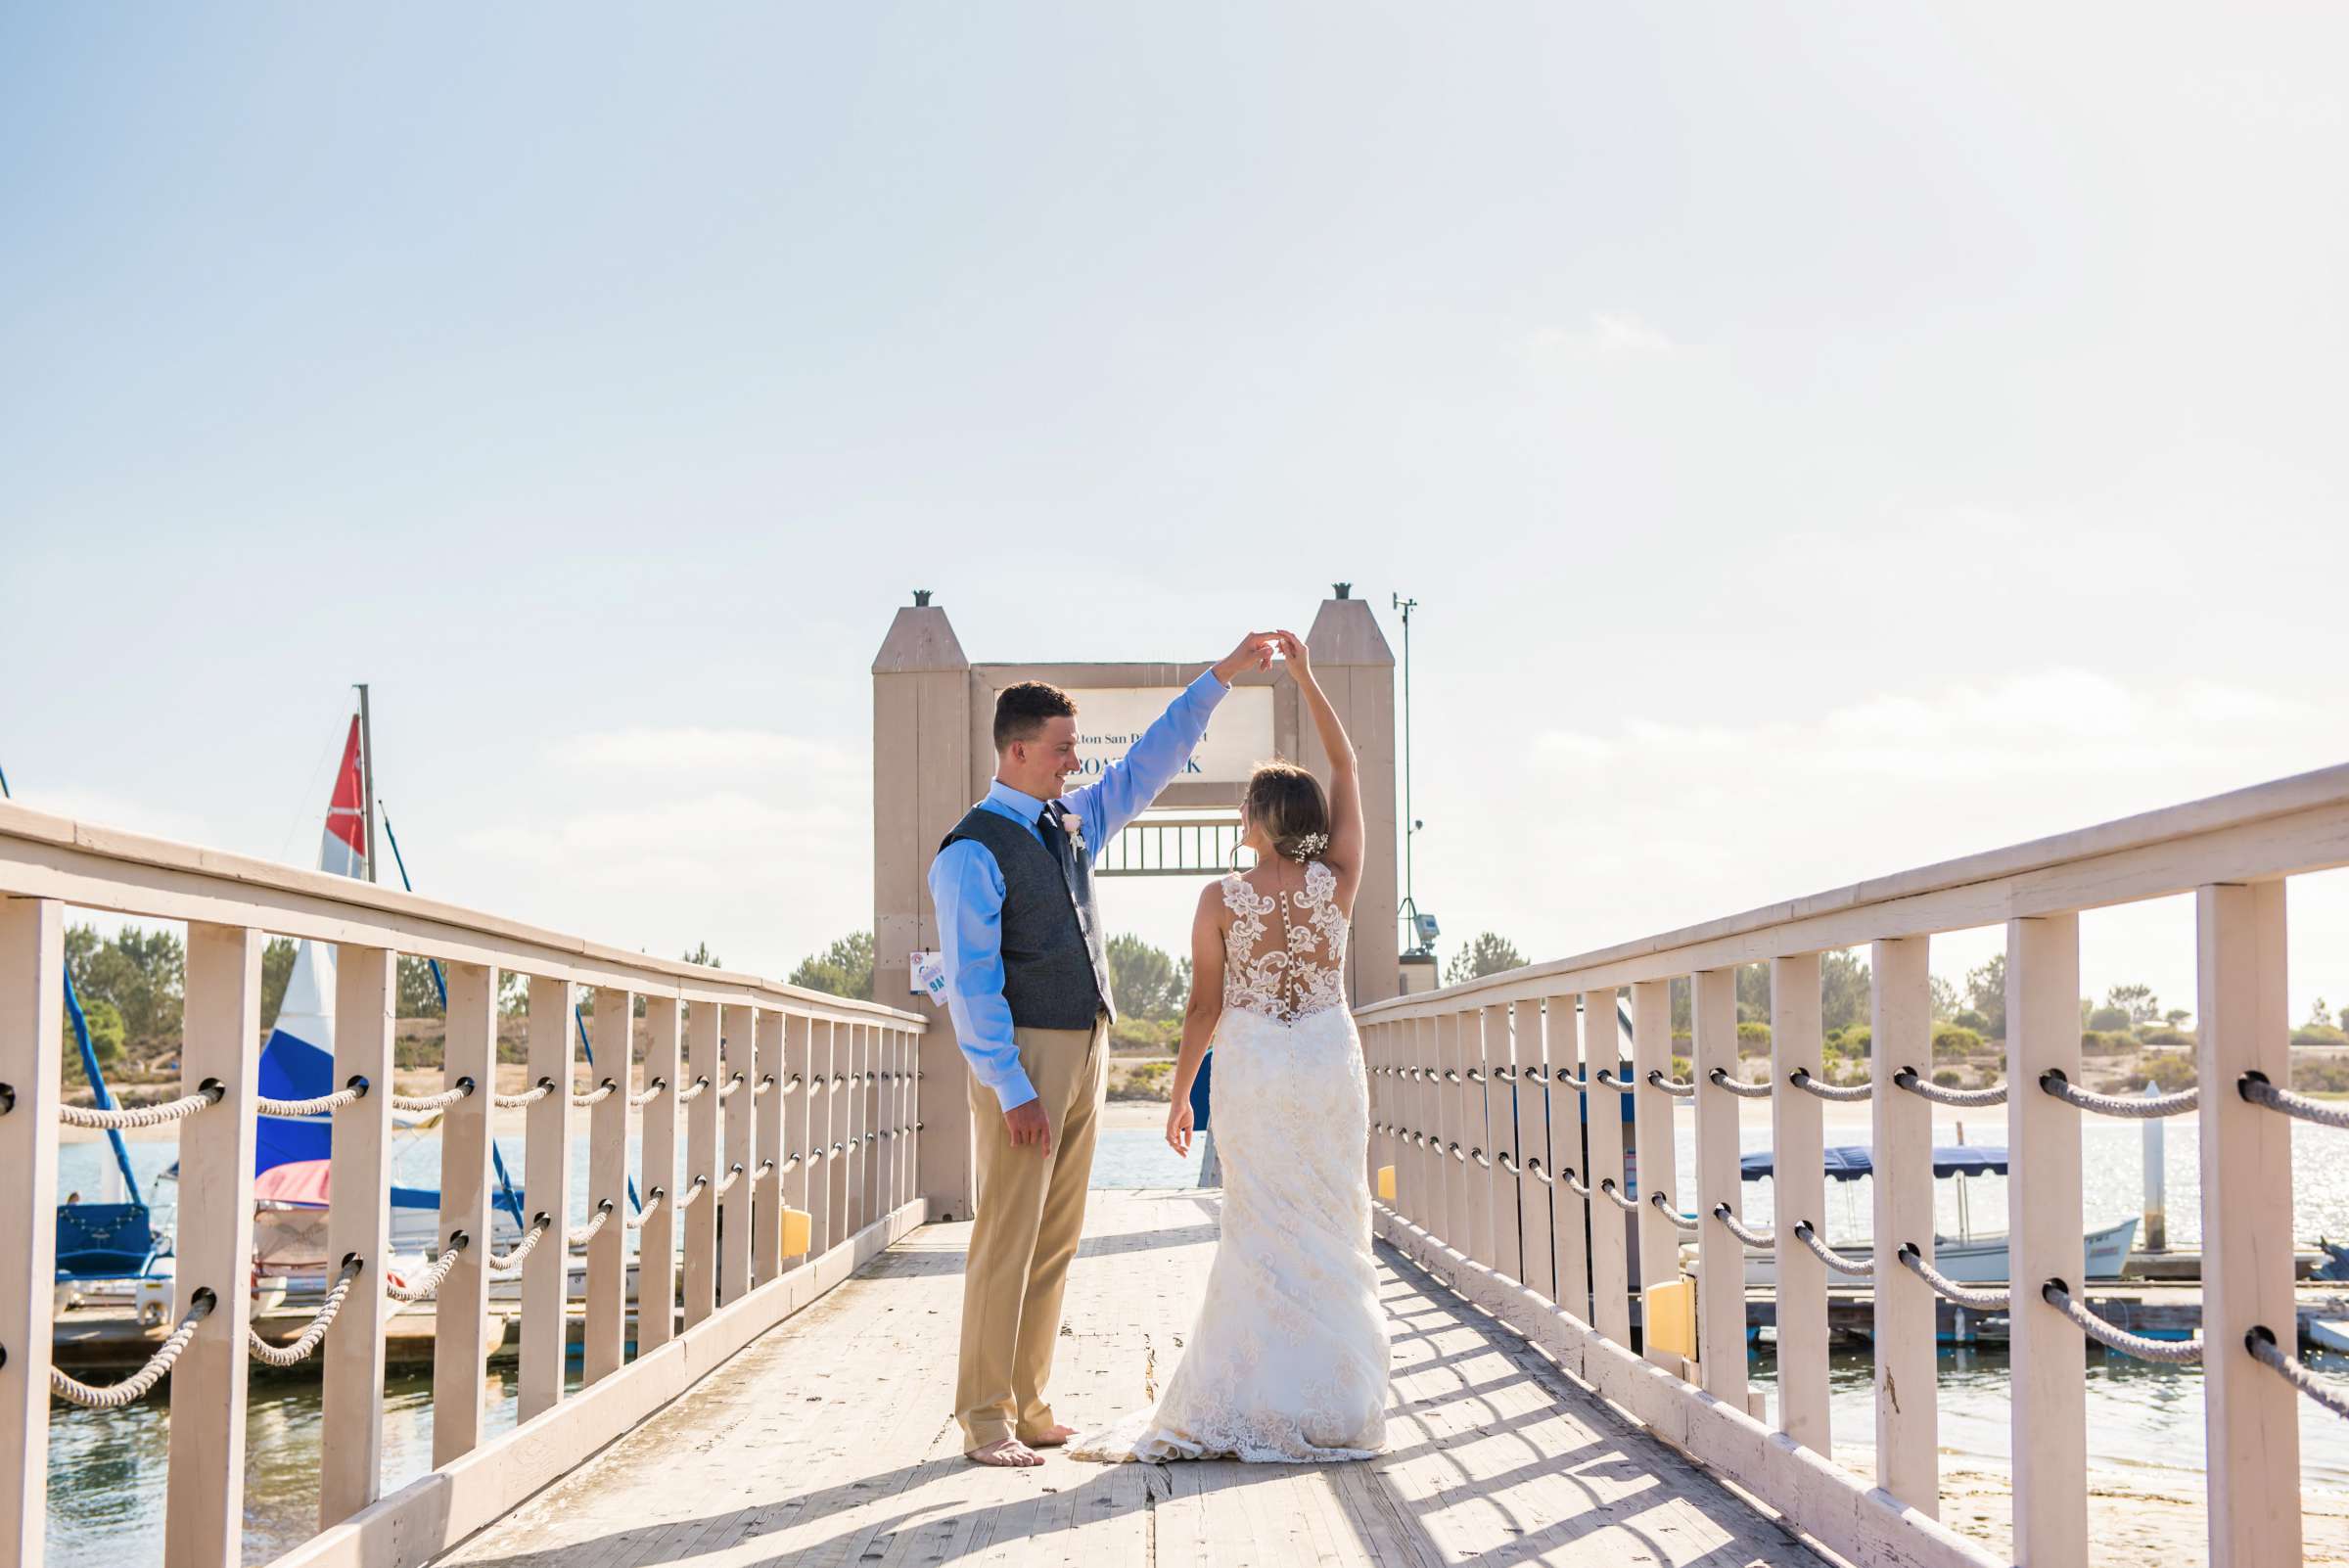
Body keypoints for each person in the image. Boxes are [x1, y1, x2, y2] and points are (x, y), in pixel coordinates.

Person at [930, 630, 1279, 1469]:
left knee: (1055, 1234)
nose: (1073, 765)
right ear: (1016, 750)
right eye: (1059, 752)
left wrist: (1221, 677)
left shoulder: (1074, 820)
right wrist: (1010, 1087)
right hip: (1021, 1056)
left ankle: (1031, 1402)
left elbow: (1149, 765)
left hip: (1085, 1045)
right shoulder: (971, 849)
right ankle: (984, 1418)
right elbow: (971, 985)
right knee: (1007, 1234)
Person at [1072, 628, 1389, 1463]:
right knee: (1328, 1222)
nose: (1237, 816)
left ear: (1259, 822)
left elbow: (1203, 1006)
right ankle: (1333, 1400)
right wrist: (1312, 678)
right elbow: (1350, 769)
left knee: (1259, 1228)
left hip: (1252, 1064)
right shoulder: (1340, 881)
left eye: (1244, 806)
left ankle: (1258, 1392)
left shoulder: (1220, 896)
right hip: (1325, 1059)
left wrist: (1179, 1095)